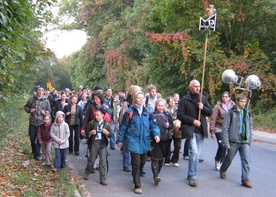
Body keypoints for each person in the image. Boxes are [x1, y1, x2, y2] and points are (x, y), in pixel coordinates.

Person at [117, 91, 160, 194]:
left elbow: (154, 125)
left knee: (143, 161)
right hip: (133, 140)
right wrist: (120, 140)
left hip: (145, 140)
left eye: (142, 98)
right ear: (135, 99)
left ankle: (136, 174)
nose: (141, 99)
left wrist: (156, 134)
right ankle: (137, 184)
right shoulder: (129, 112)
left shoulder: (148, 112)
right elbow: (123, 127)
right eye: (139, 98)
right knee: (136, 162)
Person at [177, 79, 212, 187]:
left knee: (197, 155)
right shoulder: (184, 100)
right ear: (190, 87)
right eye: (196, 86)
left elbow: (210, 112)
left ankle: (190, 174)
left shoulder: (203, 98)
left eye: (199, 86)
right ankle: (193, 176)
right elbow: (180, 115)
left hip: (201, 130)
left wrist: (203, 108)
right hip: (189, 129)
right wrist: (193, 121)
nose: (198, 88)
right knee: (194, 153)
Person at [219, 94, 253, 188]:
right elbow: (225, 128)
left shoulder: (247, 112)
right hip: (233, 140)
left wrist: (250, 140)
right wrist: (226, 142)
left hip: (244, 140)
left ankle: (246, 179)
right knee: (229, 158)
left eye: (244, 101)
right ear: (237, 101)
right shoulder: (230, 112)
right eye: (241, 101)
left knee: (246, 160)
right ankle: (223, 170)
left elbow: (250, 127)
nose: (243, 103)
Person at [84, 105, 112, 186]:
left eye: (98, 115)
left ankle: (103, 178)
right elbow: (87, 132)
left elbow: (111, 135)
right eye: (95, 115)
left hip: (103, 143)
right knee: (92, 159)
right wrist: (90, 133)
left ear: (103, 115)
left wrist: (107, 133)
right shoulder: (92, 123)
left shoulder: (106, 124)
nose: (96, 117)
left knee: (103, 161)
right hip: (94, 142)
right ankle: (87, 172)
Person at [118, 85, 143, 173]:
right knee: (126, 148)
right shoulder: (126, 103)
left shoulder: (141, 102)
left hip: (138, 129)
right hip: (128, 128)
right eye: (138, 91)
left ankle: (139, 166)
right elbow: (122, 117)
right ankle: (126, 164)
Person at [24, 85, 51, 160]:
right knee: (32, 138)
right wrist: (30, 110)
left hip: (41, 123)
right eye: (39, 90)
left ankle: (37, 154)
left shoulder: (46, 101)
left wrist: (45, 112)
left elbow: (49, 111)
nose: (40, 91)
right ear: (37, 91)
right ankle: (34, 150)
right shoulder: (32, 99)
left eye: (42, 90)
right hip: (32, 122)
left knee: (39, 139)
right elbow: (26, 107)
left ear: (44, 91)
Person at [210, 91, 235, 171]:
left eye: (226, 96)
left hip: (228, 129)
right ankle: (218, 160)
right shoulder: (217, 107)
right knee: (222, 145)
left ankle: (222, 160)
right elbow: (213, 118)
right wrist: (212, 131)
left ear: (229, 98)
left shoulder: (233, 106)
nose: (224, 98)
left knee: (227, 146)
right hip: (219, 127)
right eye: (223, 96)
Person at [151, 98, 173, 185]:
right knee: (155, 158)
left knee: (161, 159)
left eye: (162, 106)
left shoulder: (167, 115)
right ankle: (155, 175)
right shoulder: (152, 115)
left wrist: (169, 125)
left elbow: (172, 126)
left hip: (165, 139)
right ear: (156, 106)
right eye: (159, 105)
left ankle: (158, 173)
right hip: (155, 140)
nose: (160, 107)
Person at [166, 97, 181, 166]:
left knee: (177, 145)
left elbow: (181, 116)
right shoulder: (166, 109)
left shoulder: (178, 108)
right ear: (168, 102)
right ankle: (167, 159)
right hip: (169, 128)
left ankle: (175, 160)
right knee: (168, 144)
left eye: (173, 101)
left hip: (177, 128)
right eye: (170, 101)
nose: (171, 103)